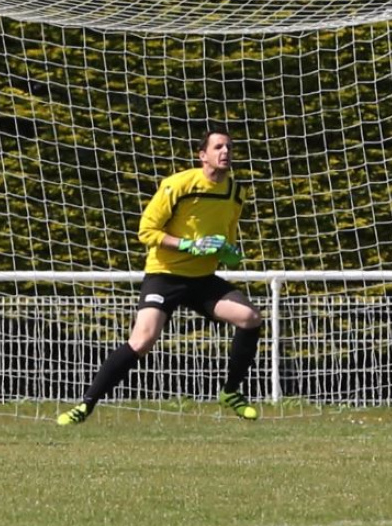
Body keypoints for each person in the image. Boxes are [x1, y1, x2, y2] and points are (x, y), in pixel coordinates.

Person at [58, 128, 262, 425]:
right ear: (202, 155)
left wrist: (229, 252)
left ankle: (230, 392)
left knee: (250, 317)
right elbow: (146, 231)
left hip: (202, 278)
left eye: (229, 147)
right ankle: (85, 405)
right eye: (218, 147)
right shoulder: (177, 185)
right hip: (165, 276)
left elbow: (227, 239)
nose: (226, 152)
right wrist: (187, 245)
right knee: (142, 340)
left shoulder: (235, 191)